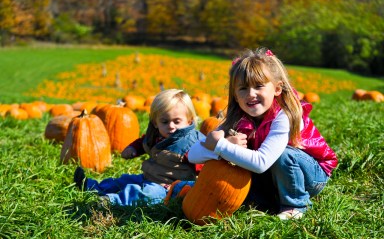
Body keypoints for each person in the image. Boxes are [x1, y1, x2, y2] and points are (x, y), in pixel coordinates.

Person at [187, 48, 338, 220]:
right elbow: (193, 155)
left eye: (258, 86)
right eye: (243, 88)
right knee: (235, 163)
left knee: (284, 155)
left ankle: (295, 205)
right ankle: (267, 202)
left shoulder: (284, 116)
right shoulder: (238, 118)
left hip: (310, 176)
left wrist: (222, 146)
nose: (251, 94)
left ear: (277, 89)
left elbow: (261, 163)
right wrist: (220, 145)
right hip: (273, 176)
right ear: (235, 95)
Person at [74, 89, 205, 206]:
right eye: (164, 122)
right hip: (148, 178)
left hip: (168, 189)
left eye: (177, 121)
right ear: (155, 122)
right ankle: (91, 186)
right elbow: (144, 142)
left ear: (189, 120)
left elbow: (204, 168)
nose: (171, 126)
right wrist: (133, 149)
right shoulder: (157, 135)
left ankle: (111, 201)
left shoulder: (193, 144)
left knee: (146, 195)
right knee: (124, 180)